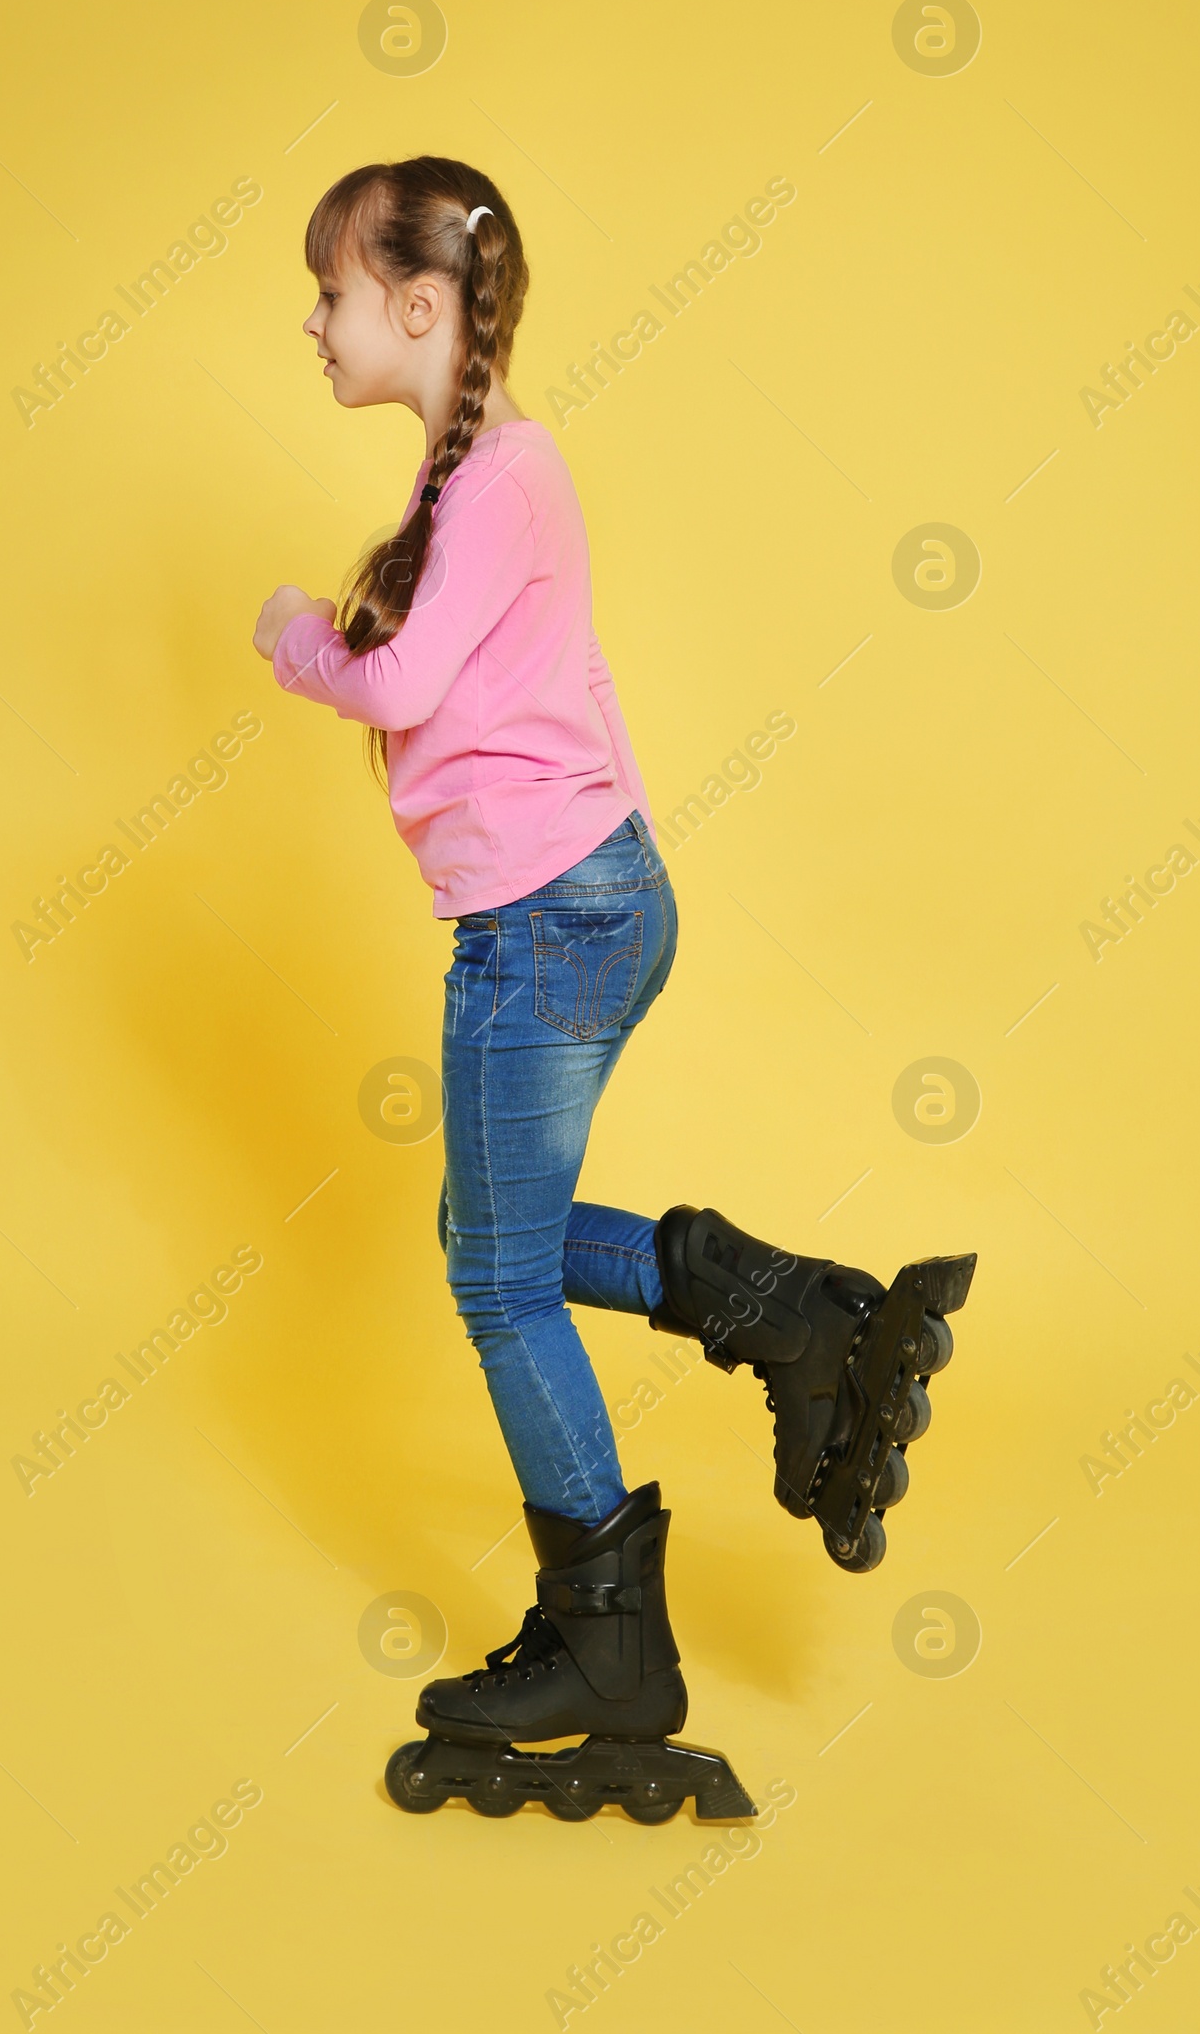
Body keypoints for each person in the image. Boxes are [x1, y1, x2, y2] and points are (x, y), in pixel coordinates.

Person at [252, 156, 973, 1823]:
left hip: (547, 923)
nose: (313, 320)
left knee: (496, 1287)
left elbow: (411, 678)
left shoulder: (506, 469)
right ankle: (800, 1317)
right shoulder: (482, 476)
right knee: (487, 1236)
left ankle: (608, 1641)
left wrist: (298, 633)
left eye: (333, 292)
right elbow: (547, 688)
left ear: (418, 307)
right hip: (586, 901)